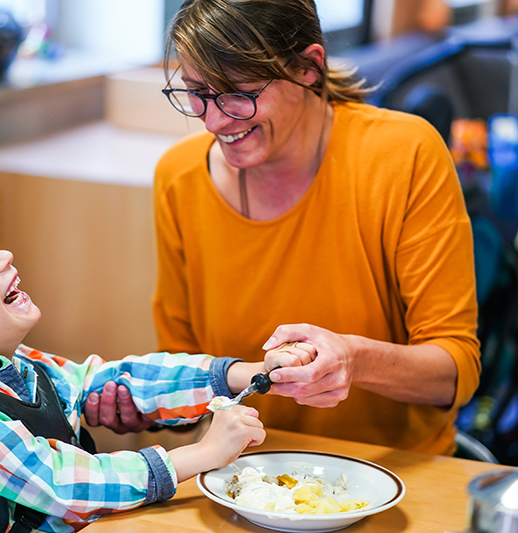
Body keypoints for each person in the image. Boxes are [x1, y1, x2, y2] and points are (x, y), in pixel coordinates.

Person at [85, 0, 480, 456]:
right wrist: (152, 407)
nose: (214, 121)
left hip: (391, 469)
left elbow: (456, 373)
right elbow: (190, 371)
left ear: (309, 67)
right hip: (243, 476)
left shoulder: (403, 155)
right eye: (197, 93)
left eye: (238, 92)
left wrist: (354, 358)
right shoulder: (180, 177)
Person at [0, 208, 314, 532]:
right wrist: (204, 454)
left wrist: (244, 373)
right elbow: (62, 484)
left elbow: (109, 381)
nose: (3, 256)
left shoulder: (16, 366)